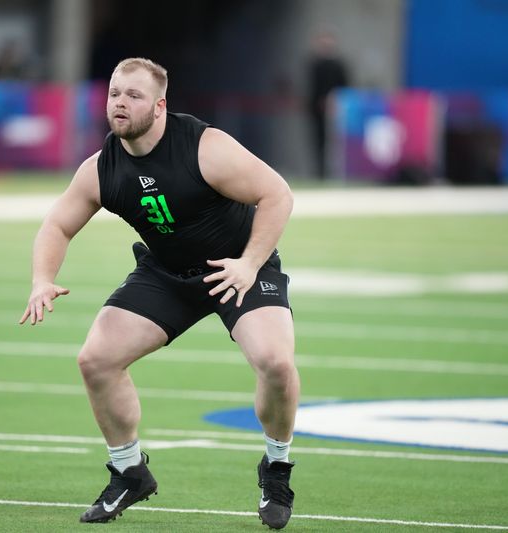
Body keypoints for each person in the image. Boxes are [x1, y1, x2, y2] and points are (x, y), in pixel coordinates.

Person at [20, 57, 299, 529]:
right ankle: (129, 471)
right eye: (114, 94)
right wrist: (41, 279)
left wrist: (249, 264)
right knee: (96, 360)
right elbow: (57, 224)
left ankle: (276, 468)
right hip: (168, 272)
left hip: (235, 268)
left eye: (134, 95)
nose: (120, 104)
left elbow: (277, 194)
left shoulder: (205, 147)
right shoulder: (102, 167)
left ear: (160, 105)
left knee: (275, 363)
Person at [306, 30, 349, 178]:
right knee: (319, 140)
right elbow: (312, 87)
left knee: (336, 142)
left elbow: (344, 86)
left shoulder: (338, 65)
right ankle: (320, 172)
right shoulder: (314, 64)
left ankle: (335, 172)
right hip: (317, 109)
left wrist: (335, 101)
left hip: (336, 108)